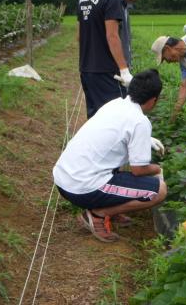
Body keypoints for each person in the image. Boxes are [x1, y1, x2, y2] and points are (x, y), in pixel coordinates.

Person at [53, 69, 167, 242]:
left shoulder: (115, 104)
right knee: (159, 190)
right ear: (153, 100)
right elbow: (138, 169)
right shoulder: (140, 122)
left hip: (64, 178)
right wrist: (158, 169)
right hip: (81, 187)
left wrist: (146, 139)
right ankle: (98, 214)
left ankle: (111, 207)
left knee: (115, 163)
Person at [77, 0, 132, 119]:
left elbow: (79, 36)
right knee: (114, 119)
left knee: (95, 118)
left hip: (86, 69)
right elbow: (112, 35)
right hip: (107, 71)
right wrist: (124, 70)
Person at [116, 0, 151, 73]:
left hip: (123, 66)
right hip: (115, 68)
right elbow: (112, 37)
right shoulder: (115, 5)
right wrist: (123, 69)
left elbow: (125, 38)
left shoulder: (125, 6)